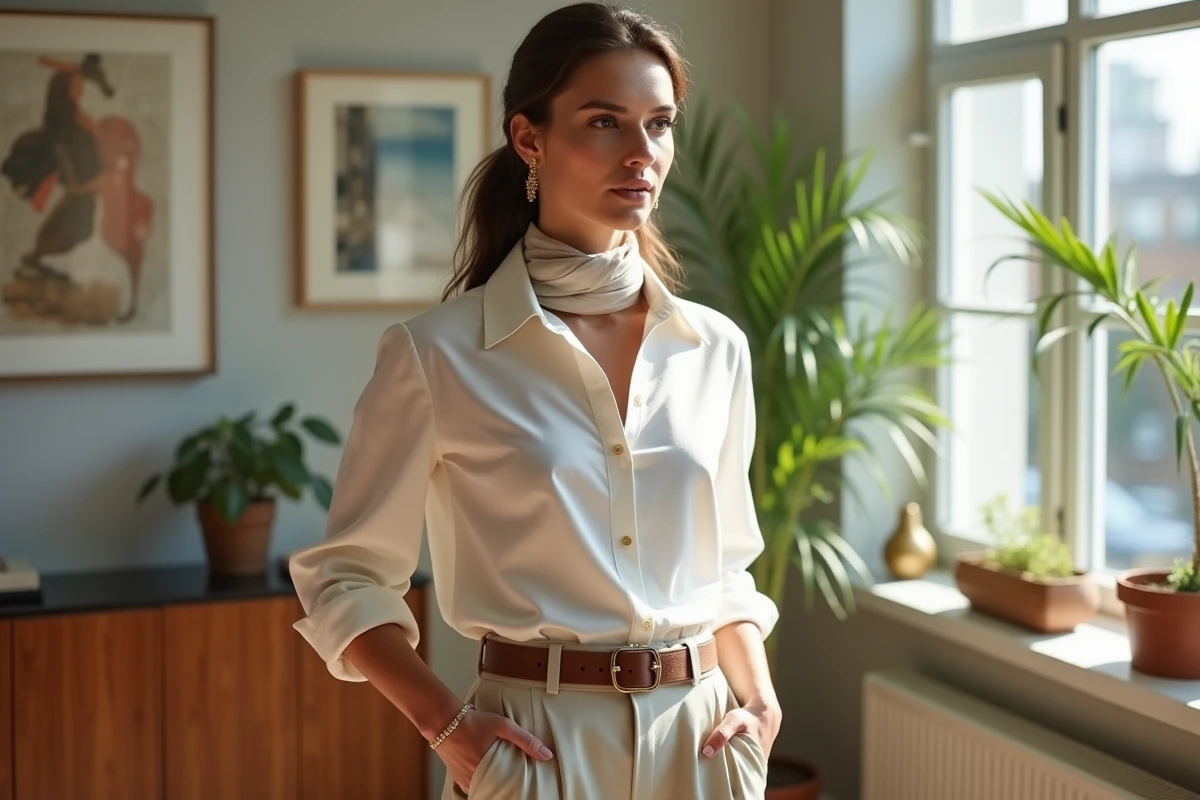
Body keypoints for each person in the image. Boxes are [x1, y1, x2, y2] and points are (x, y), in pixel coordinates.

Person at [289, 3, 781, 797]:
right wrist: (446, 728)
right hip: (535, 747)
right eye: (603, 122)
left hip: (704, 742)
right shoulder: (436, 353)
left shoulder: (713, 347)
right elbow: (344, 578)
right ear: (530, 139)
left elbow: (725, 567)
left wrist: (758, 700)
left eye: (659, 124)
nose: (641, 154)